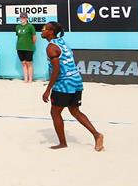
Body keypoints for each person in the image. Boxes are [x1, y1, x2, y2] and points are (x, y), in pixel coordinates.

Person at [40, 22, 104, 152]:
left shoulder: (51, 47)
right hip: (76, 80)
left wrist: (48, 89)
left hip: (64, 83)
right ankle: (97, 135)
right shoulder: (62, 42)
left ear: (51, 32)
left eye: (44, 29)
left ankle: (62, 143)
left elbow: (56, 70)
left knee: (55, 112)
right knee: (75, 111)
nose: (42, 30)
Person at [14, 12, 36, 83]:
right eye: (21, 17)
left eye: (24, 17)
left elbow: (34, 37)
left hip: (28, 48)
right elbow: (19, 36)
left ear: (26, 18)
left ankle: (30, 79)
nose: (22, 19)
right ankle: (25, 79)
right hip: (19, 48)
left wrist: (31, 45)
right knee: (23, 63)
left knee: (29, 63)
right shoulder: (18, 27)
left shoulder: (30, 26)